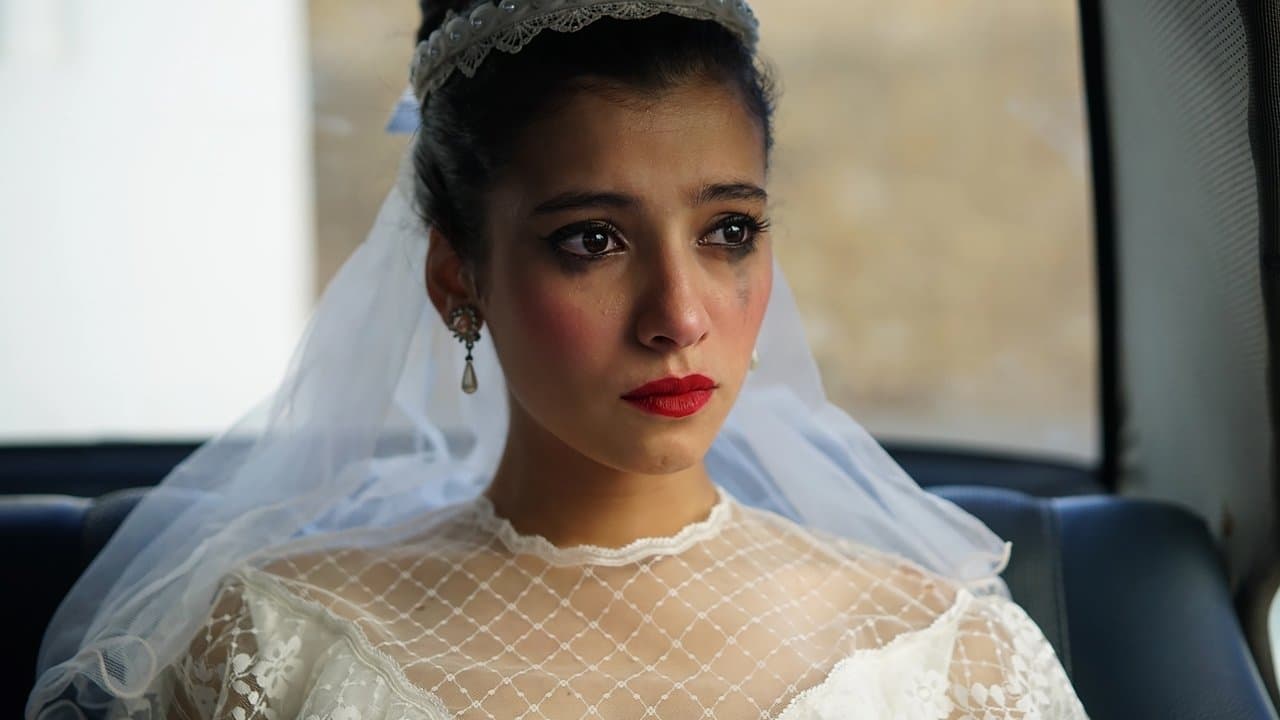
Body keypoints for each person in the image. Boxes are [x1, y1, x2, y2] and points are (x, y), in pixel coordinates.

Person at [27, 1, 1089, 717]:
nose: (679, 315)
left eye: (727, 231)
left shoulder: (950, 658)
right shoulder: (271, 648)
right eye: (592, 240)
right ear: (458, 277)